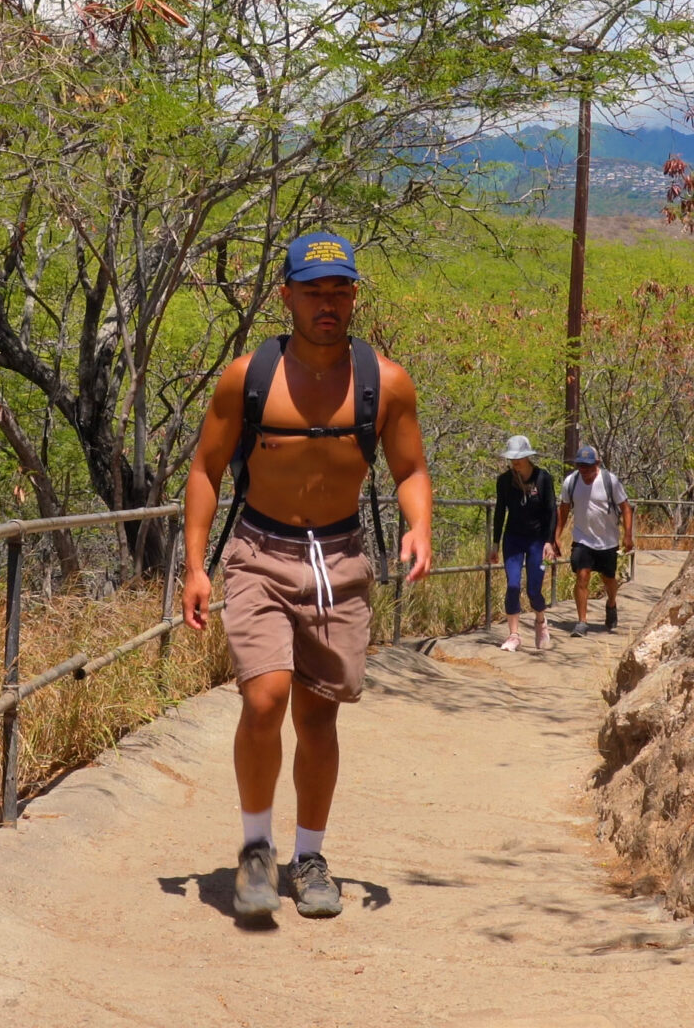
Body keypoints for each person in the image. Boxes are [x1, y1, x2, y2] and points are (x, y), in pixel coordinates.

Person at [179, 231, 432, 924]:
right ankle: (257, 850)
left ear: (354, 296)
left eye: (340, 290)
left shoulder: (386, 382)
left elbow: (410, 470)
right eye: (315, 290)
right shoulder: (248, 377)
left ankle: (310, 858)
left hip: (339, 561)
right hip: (259, 551)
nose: (329, 303)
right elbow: (204, 469)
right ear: (286, 295)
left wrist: (419, 526)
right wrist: (195, 566)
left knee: (318, 718)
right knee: (264, 701)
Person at [487, 434, 554, 652]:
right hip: (513, 539)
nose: (515, 462)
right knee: (513, 585)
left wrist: (549, 541)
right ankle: (514, 635)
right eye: (512, 458)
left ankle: (540, 620)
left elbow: (551, 511)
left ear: (528, 457)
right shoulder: (504, 481)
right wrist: (495, 543)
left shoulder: (543, 478)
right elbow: (499, 513)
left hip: (536, 540)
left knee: (534, 589)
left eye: (520, 457)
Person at [555, 445, 632, 633]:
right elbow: (564, 509)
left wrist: (628, 535)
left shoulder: (610, 481)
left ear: (597, 464)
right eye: (581, 466)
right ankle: (582, 621)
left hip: (607, 541)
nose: (585, 471)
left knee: (608, 579)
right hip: (583, 539)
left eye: (589, 467)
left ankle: (611, 603)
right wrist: (556, 536)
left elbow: (626, 507)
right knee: (582, 576)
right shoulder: (571, 482)